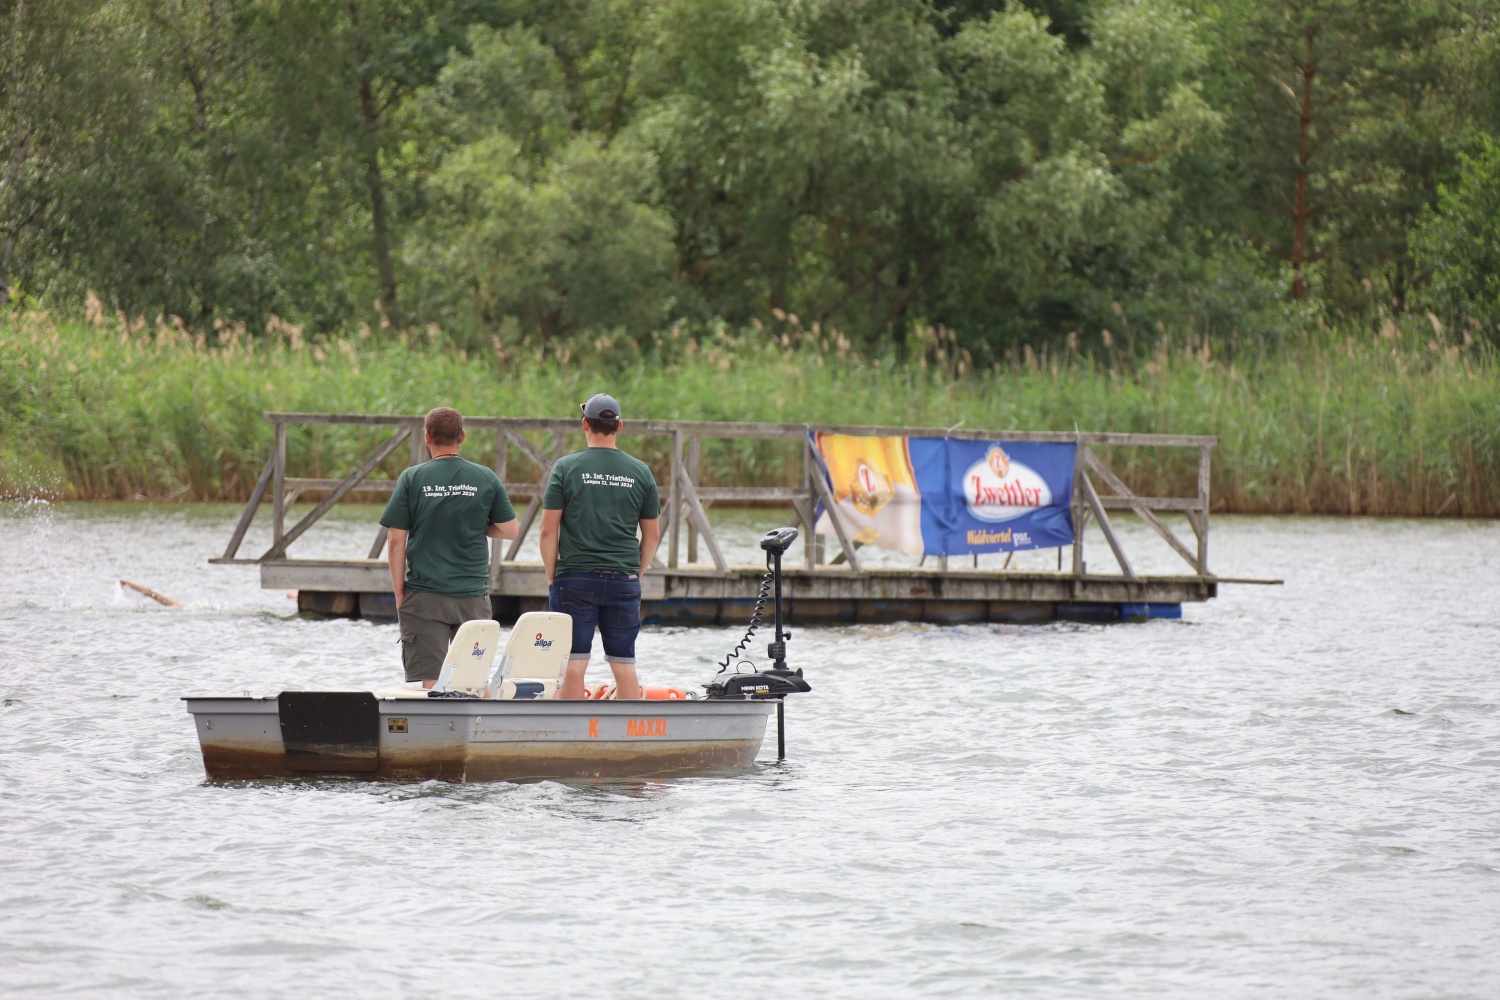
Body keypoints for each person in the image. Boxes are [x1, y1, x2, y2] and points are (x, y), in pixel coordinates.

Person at [381, 407, 519, 687]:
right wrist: (478, 526)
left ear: (427, 437)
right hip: (472, 595)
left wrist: (399, 592)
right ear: (462, 436)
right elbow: (510, 530)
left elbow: (396, 540)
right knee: (473, 679)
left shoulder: (412, 478)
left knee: (432, 681)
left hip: (425, 595)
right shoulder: (485, 477)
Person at [540, 393, 661, 699]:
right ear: (619, 426)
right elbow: (652, 534)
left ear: (584, 424)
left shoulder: (565, 467)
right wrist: (636, 573)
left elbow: (547, 530)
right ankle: (629, 728)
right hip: (624, 579)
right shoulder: (641, 471)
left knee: (573, 663)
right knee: (624, 664)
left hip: (574, 578)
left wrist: (553, 576)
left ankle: (570, 728)